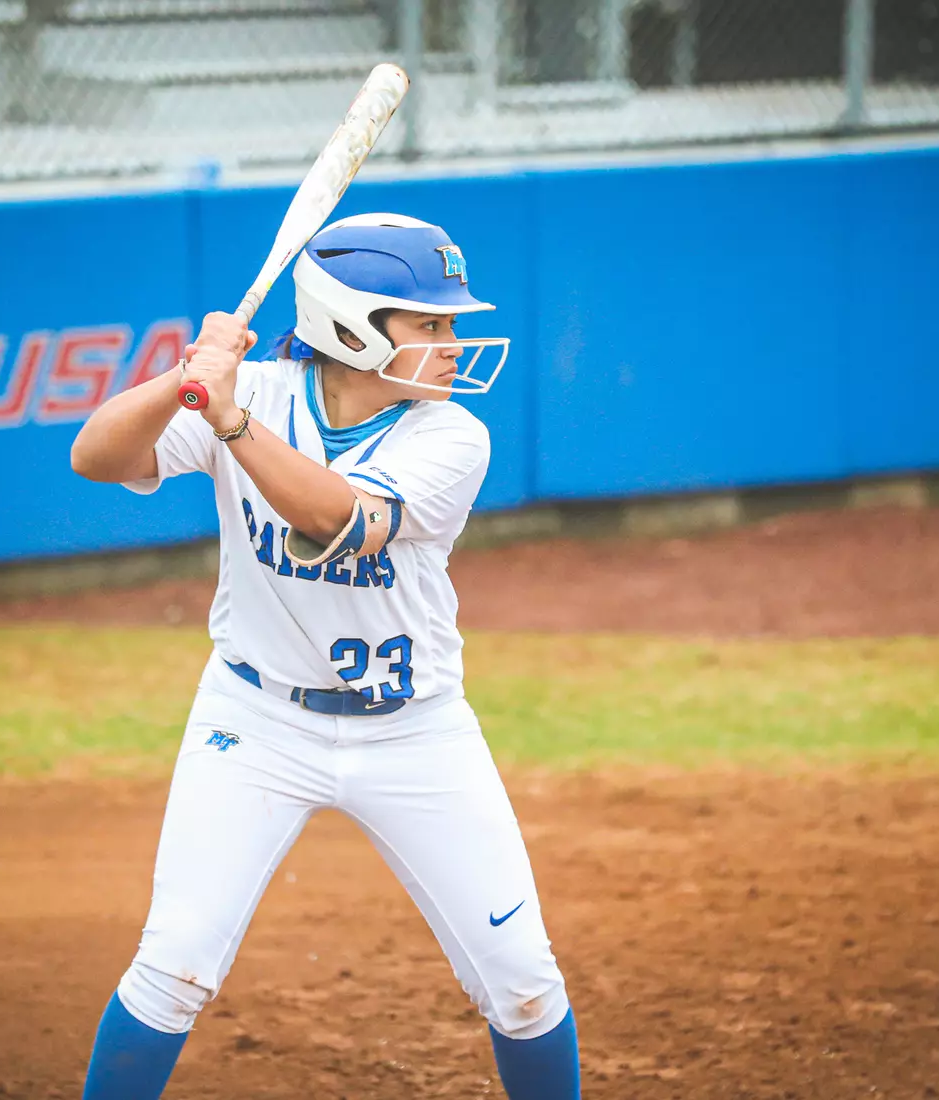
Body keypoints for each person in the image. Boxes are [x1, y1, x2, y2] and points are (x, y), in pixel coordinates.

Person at [69, 212, 581, 1099]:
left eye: (450, 324)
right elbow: (95, 456)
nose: (453, 343)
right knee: (174, 964)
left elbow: (335, 518)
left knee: (524, 984)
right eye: (430, 324)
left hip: (414, 732)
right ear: (352, 326)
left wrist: (228, 419)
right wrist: (183, 381)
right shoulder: (256, 394)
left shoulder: (451, 437)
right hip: (255, 721)